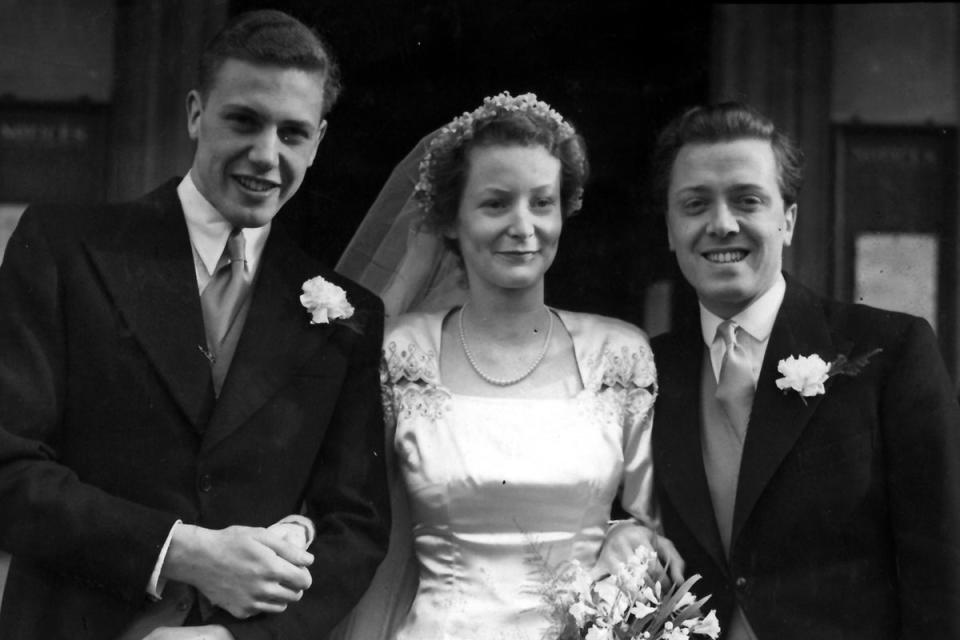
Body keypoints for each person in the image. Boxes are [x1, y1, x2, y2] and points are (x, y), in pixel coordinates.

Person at [0, 10, 389, 639]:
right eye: (243, 120)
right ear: (194, 114)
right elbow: (8, 470)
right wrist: (181, 553)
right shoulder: (64, 249)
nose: (266, 155)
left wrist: (237, 638)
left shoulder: (347, 311)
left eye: (292, 134)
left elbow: (355, 524)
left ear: (317, 142)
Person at [333, 92, 682, 640]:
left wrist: (626, 539)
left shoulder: (620, 352)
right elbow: (349, 511)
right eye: (496, 203)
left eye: (541, 202)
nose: (524, 225)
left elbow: (656, 521)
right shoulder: (400, 352)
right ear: (450, 219)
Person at [649, 102, 960, 639]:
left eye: (747, 200)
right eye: (695, 204)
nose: (722, 224)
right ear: (672, 231)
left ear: (787, 220)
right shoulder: (644, 370)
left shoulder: (891, 351)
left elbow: (942, 564)